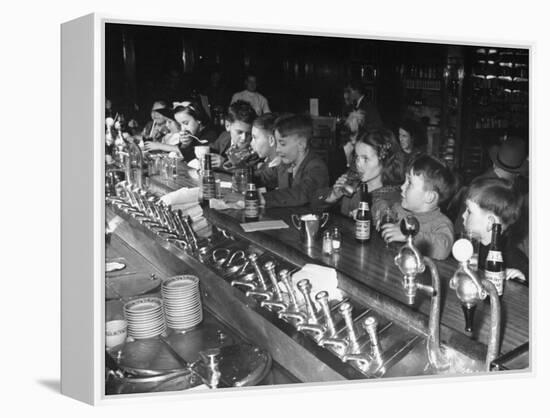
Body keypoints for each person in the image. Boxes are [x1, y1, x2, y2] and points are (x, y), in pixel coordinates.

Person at [314, 128, 404, 220]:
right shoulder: (352, 183)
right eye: (357, 157)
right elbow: (313, 209)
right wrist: (333, 196)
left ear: (385, 161)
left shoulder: (394, 198)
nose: (358, 164)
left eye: (365, 159)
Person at [381, 154, 456, 260]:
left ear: (429, 197)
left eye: (410, 183)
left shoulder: (441, 224)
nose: (402, 187)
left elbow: (443, 249)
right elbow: (382, 208)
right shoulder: (398, 210)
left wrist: (409, 236)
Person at [461, 177, 527, 282]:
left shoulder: (512, 258)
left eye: (469, 211)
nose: (463, 215)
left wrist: (522, 280)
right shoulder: (469, 244)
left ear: (490, 223)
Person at [258, 114, 329, 208]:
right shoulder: (285, 164)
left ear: (301, 145)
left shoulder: (316, 168)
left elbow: (300, 194)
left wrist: (261, 198)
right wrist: (241, 174)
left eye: (282, 144)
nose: (277, 149)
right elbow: (264, 178)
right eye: (277, 143)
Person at [210, 100, 257, 168]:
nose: (244, 138)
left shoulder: (254, 149)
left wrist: (225, 163)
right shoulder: (224, 136)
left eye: (249, 133)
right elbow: (211, 148)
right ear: (227, 125)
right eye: (239, 132)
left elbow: (250, 171)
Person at [250, 113, 281, 189]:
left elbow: (256, 179)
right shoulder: (269, 160)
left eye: (255, 138)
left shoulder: (278, 170)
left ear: (271, 140)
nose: (251, 143)